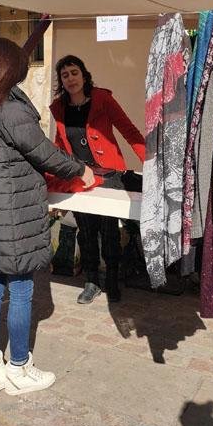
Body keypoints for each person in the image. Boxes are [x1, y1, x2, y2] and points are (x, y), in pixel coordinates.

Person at [0, 38, 95, 398]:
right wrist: (83, 170)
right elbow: (46, 155)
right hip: (13, 217)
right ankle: (19, 368)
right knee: (20, 291)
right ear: (8, 70)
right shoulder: (11, 110)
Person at [49, 55, 145, 304]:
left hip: (110, 175)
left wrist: (151, 163)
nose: (70, 78)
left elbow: (129, 131)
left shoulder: (102, 99)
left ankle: (111, 279)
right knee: (86, 230)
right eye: (65, 75)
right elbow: (60, 144)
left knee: (109, 231)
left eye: (74, 72)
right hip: (79, 177)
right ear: (61, 80)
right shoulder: (59, 108)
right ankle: (92, 281)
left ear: (84, 74)